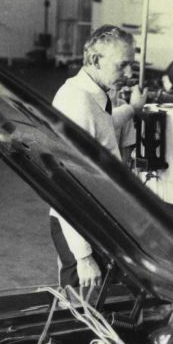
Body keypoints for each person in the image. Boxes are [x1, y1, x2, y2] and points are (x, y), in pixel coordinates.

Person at [49, 25, 147, 289]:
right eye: (122, 65)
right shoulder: (76, 103)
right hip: (78, 223)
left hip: (98, 216)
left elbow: (102, 124)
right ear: (95, 60)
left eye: (132, 65)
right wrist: (83, 257)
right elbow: (64, 185)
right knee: (85, 310)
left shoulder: (93, 93)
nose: (128, 74)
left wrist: (132, 109)